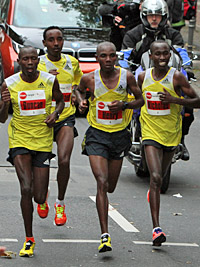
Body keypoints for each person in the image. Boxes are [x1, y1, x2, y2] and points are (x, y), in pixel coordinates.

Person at [75, 41, 144, 252]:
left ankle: (105, 226)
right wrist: (81, 101)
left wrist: (124, 105)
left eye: (111, 56)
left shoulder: (127, 77)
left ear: (116, 57)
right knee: (102, 182)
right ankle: (105, 235)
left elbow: (141, 100)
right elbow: (78, 91)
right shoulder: (89, 79)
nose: (108, 60)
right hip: (97, 135)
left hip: (119, 136)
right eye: (103, 56)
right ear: (97, 58)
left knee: (110, 186)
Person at [0, 46, 64, 257]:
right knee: (25, 188)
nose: (29, 63)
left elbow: (61, 101)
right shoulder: (9, 84)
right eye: (25, 59)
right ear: (19, 61)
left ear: (38, 61)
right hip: (19, 140)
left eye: (33, 59)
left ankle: (43, 196)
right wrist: (4, 104)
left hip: (43, 142)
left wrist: (54, 114)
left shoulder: (48, 80)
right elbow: (2, 118)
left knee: (37, 196)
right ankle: (29, 239)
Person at [137, 40, 200, 246]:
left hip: (171, 133)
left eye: (165, 54)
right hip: (150, 132)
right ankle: (156, 229)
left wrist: (175, 100)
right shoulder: (142, 77)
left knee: (161, 180)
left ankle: (153, 191)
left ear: (170, 55)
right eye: (158, 54)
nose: (162, 58)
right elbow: (138, 100)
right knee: (155, 177)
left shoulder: (177, 77)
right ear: (151, 56)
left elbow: (197, 101)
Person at [122, 0, 194, 160]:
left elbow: (182, 53)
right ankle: (126, 136)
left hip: (169, 76)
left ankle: (181, 138)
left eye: (157, 15)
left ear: (164, 16)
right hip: (141, 74)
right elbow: (124, 55)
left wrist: (188, 67)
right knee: (125, 100)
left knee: (188, 105)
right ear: (144, 16)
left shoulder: (173, 34)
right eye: (150, 16)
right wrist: (125, 70)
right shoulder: (133, 34)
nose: (154, 19)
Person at [37, 26, 83, 226]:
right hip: (43, 120)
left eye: (59, 39)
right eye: (51, 40)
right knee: (41, 164)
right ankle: (42, 194)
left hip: (65, 117)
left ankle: (60, 202)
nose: (56, 43)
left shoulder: (71, 62)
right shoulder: (37, 64)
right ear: (44, 43)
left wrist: (79, 98)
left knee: (64, 161)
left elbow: (76, 86)